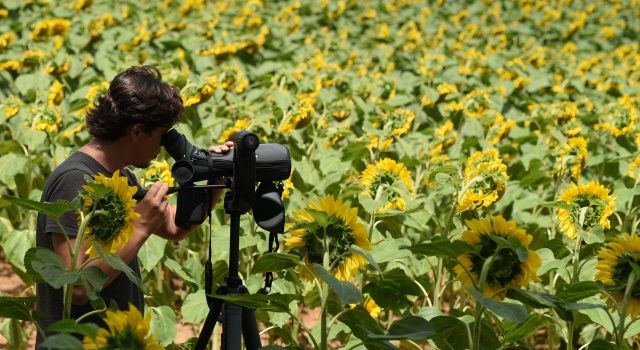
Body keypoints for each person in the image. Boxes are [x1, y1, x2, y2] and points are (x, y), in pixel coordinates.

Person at [34, 65, 233, 344]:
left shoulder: (118, 174)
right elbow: (77, 286)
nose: (162, 146)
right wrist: (140, 225)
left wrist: (214, 179)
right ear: (138, 131)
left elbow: (175, 227)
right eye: (161, 134)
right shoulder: (75, 180)